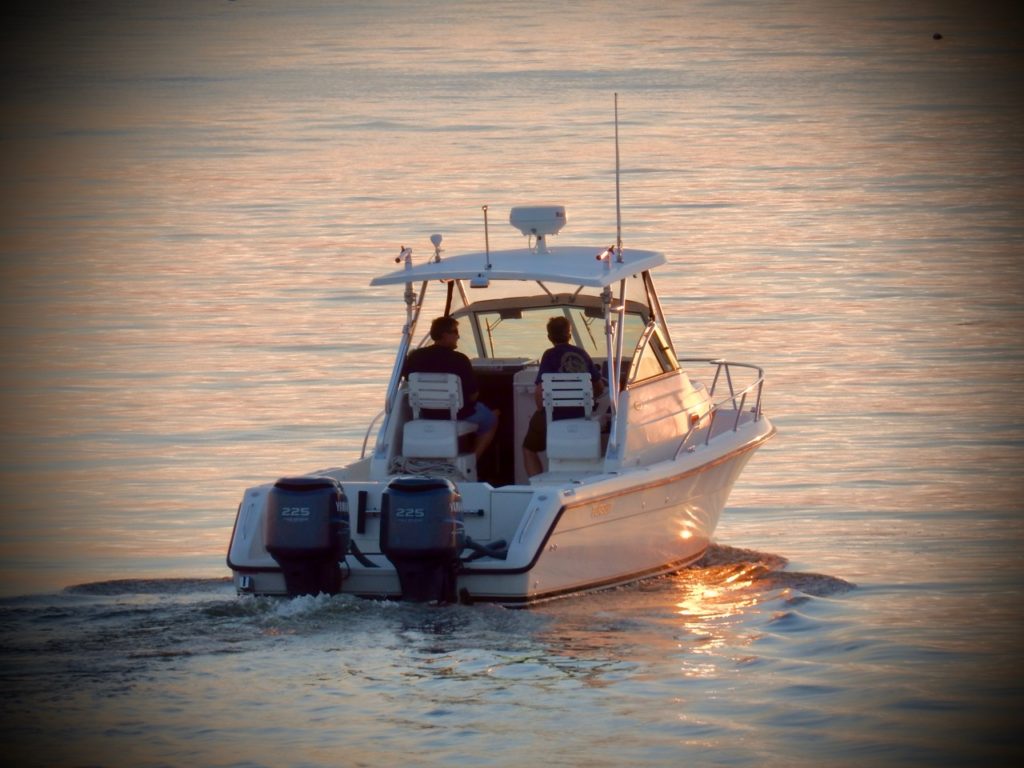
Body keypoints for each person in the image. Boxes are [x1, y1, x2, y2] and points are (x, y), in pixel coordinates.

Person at [402, 315, 498, 459]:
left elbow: (407, 380)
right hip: (457, 414)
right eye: (455, 332)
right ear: (444, 335)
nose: (458, 336)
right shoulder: (460, 360)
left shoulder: (415, 357)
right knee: (491, 419)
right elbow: (473, 395)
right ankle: (472, 461)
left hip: (426, 413)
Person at [522, 316, 605, 476]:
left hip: (554, 416)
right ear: (569, 334)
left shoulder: (548, 356)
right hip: (582, 415)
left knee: (528, 449)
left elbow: (540, 390)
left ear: (549, 337)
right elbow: (599, 387)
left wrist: (542, 410)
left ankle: (536, 484)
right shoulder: (581, 353)